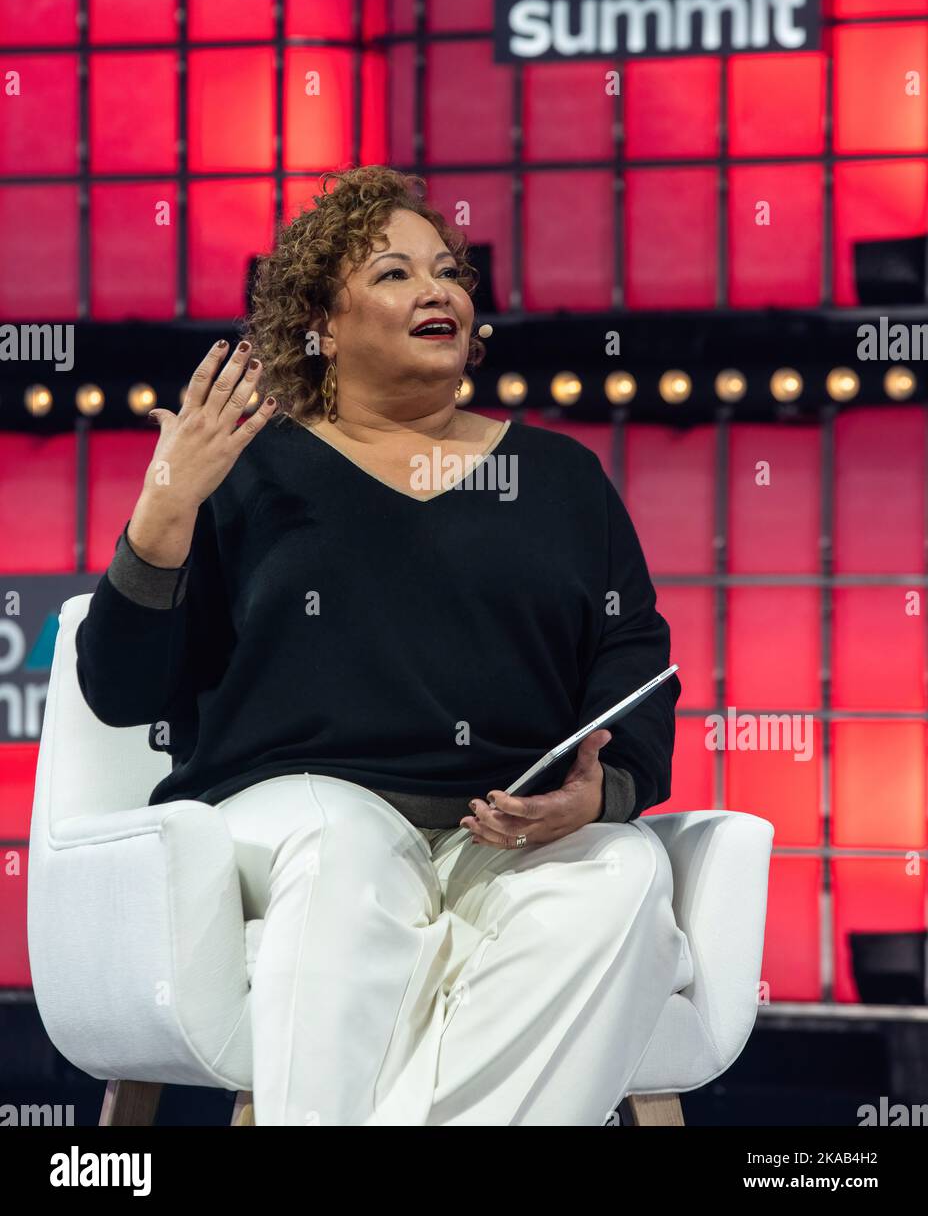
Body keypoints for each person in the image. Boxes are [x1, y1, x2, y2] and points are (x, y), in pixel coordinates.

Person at [75, 164, 692, 1126]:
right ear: (320, 323)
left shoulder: (559, 477)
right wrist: (166, 510)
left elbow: (634, 659)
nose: (438, 290)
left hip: (497, 825)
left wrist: (602, 793)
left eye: (447, 271)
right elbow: (120, 687)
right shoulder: (248, 469)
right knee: (345, 846)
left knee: (625, 873)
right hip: (285, 813)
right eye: (395, 274)